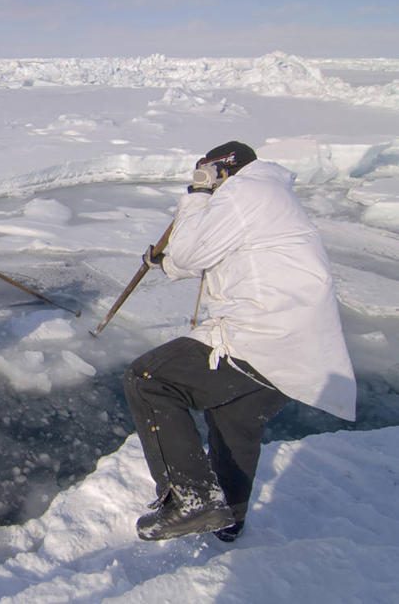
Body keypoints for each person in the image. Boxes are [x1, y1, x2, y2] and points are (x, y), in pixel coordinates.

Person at [123, 141, 356, 542]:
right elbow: (187, 259)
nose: (205, 184)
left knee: (147, 380)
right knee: (234, 422)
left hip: (261, 334)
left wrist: (196, 196)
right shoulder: (266, 195)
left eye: (206, 174)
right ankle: (230, 517)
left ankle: (191, 499)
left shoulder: (242, 192)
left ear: (222, 170)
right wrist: (161, 262)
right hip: (296, 345)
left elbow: (191, 248)